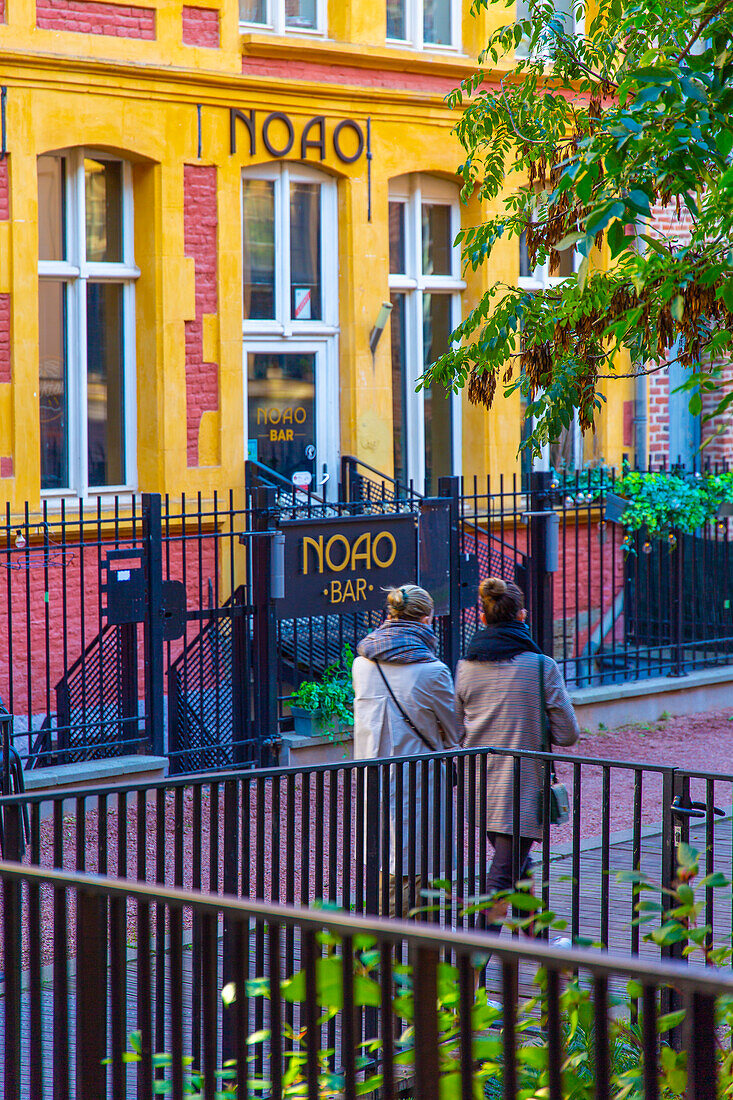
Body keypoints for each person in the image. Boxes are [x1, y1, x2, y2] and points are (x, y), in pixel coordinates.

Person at [455, 577, 579, 937]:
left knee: (516, 867)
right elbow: (569, 734)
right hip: (523, 787)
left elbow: (453, 728)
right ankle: (472, 973)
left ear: (484, 617)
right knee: (502, 877)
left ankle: (538, 942)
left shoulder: (465, 666)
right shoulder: (541, 667)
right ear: (522, 615)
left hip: (478, 784)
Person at [352, 584, 461, 915]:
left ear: (390, 614)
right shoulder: (432, 671)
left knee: (383, 853)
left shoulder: (362, 663)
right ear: (427, 619)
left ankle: (380, 945)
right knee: (418, 862)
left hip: (373, 774)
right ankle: (413, 942)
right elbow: (456, 730)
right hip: (420, 779)